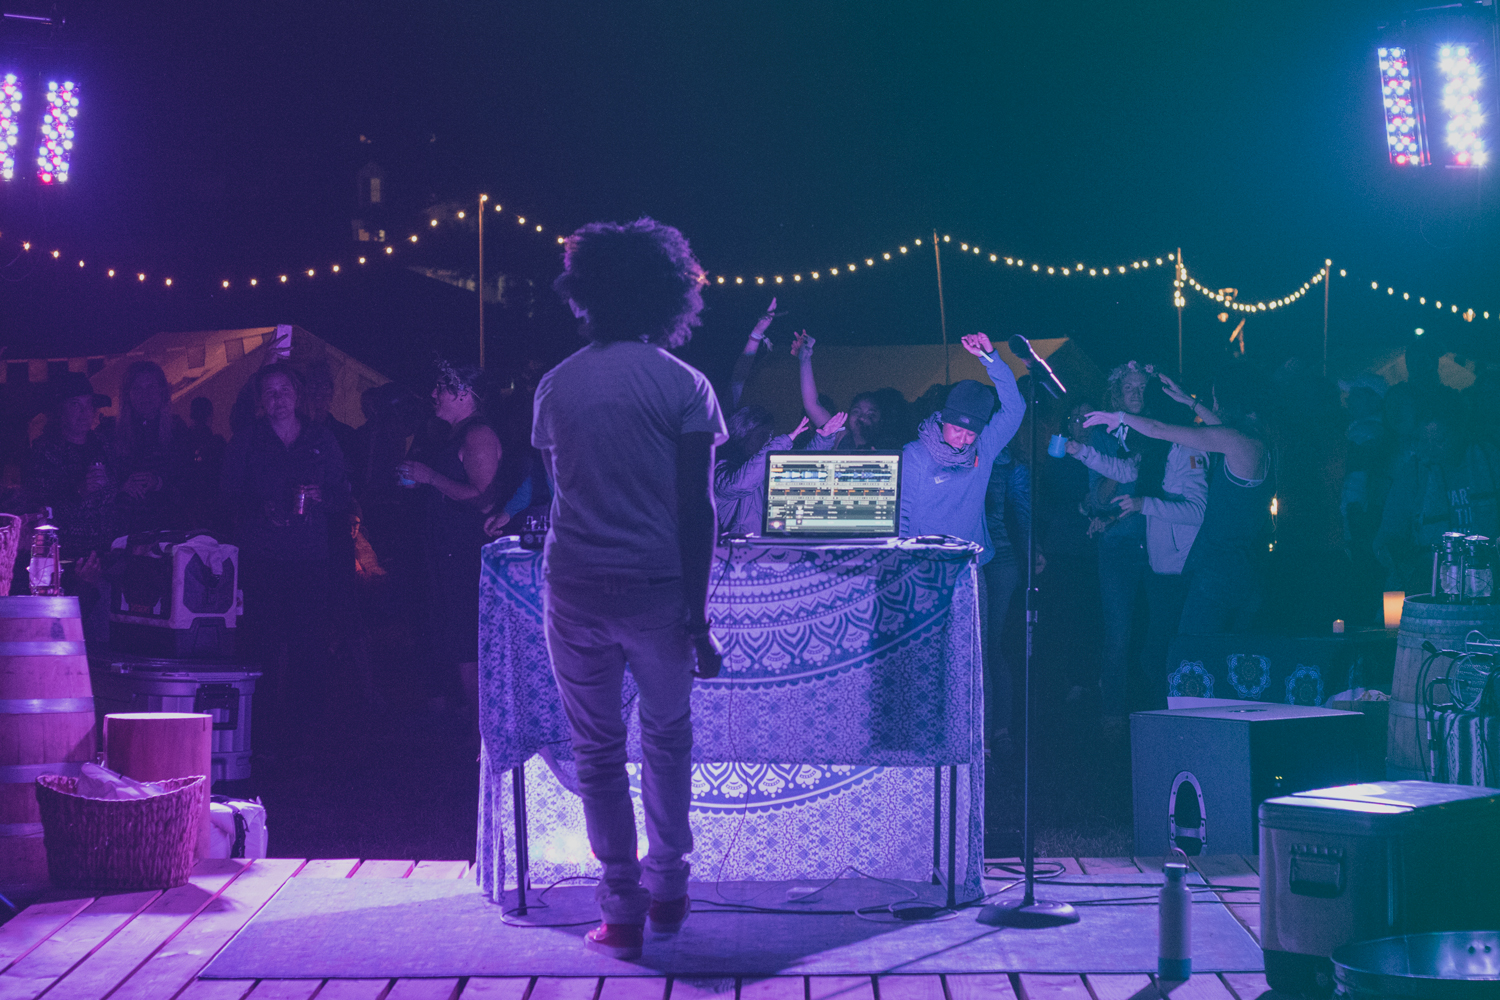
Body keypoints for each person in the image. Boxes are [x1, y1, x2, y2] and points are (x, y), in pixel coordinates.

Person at [533, 217, 726, 959]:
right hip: (658, 590)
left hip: (575, 586)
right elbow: (697, 508)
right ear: (668, 296)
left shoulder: (557, 384)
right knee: (667, 740)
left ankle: (620, 911)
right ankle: (669, 891)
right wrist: (698, 619)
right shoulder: (685, 384)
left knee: (597, 751)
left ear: (584, 294)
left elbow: (563, 493)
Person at [1085, 363, 1273, 634]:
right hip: (1243, 564)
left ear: (1232, 400)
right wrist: (1189, 401)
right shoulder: (1258, 440)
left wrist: (1122, 417)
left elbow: (1158, 429)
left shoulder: (1234, 441)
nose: (1214, 405)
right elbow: (1220, 427)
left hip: (1219, 568)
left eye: (1216, 399)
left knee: (1189, 654)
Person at [221, 363, 351, 748]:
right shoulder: (248, 441)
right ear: (261, 400)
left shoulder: (320, 438)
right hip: (262, 559)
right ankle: (259, 736)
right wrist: (259, 509)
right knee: (261, 644)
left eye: (284, 391)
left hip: (309, 559)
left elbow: (343, 492)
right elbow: (226, 495)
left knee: (307, 646)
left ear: (297, 395)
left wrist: (322, 496)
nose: (278, 399)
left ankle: (303, 736)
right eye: (270, 392)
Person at [1066, 379, 1206, 712]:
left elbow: (1197, 512)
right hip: (1152, 558)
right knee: (1143, 647)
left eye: (1142, 393)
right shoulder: (1155, 449)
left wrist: (1144, 504)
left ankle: (1175, 717)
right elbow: (1123, 469)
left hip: (1175, 564)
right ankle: (1141, 716)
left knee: (1161, 649)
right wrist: (1082, 452)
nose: (1137, 398)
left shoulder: (1189, 450)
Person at [397, 360, 501, 725]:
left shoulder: (478, 434)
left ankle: (480, 728)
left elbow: (484, 497)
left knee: (465, 637)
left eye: (441, 388)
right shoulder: (454, 434)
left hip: (465, 550)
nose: (433, 394)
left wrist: (430, 477)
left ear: (463, 394)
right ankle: (469, 718)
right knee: (452, 634)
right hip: (446, 549)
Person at [1374, 395, 1500, 593]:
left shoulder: (1491, 462)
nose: (1431, 450)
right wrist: (1410, 568)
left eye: (1440, 440)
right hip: (1432, 584)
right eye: (1424, 441)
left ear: (1460, 432)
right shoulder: (1413, 474)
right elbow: (1389, 536)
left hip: (1489, 581)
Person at [792, 330, 907, 449]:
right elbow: (812, 405)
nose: (862, 417)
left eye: (871, 414)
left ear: (881, 419)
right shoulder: (840, 436)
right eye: (856, 411)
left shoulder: (890, 445)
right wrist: (805, 359)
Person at [112, 361, 189, 535]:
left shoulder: (177, 429)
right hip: (125, 527)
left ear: (162, 392)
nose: (144, 395)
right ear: (128, 394)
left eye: (151, 387)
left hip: (169, 525)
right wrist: (122, 487)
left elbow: (189, 481)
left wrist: (158, 483)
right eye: (137, 388)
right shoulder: (112, 433)